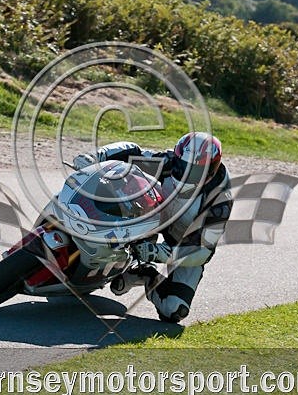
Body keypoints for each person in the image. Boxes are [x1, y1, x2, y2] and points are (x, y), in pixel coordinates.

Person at [72, 132, 232, 323]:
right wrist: (96, 157)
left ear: (212, 170)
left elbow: (202, 252)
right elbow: (132, 152)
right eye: (183, 166)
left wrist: (156, 253)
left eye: (196, 171)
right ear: (177, 157)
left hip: (184, 244)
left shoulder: (219, 200)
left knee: (174, 309)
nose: (187, 174)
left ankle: (146, 274)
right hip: (151, 220)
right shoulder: (169, 162)